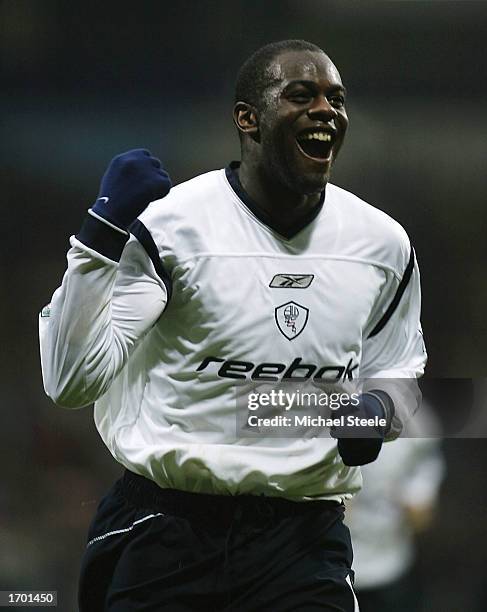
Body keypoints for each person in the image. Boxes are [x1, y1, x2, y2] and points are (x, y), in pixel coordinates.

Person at [39, 39, 426, 611]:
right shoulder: (172, 229)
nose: (326, 110)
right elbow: (70, 382)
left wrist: (379, 409)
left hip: (304, 541)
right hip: (165, 530)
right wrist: (97, 238)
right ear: (248, 118)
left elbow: (398, 368)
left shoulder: (382, 244)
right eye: (301, 95)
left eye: (336, 99)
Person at [345, 408, 444, 612]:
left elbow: (421, 511)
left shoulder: (418, 423)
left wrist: (416, 499)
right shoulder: (324, 414)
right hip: (333, 567)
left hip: (391, 566)